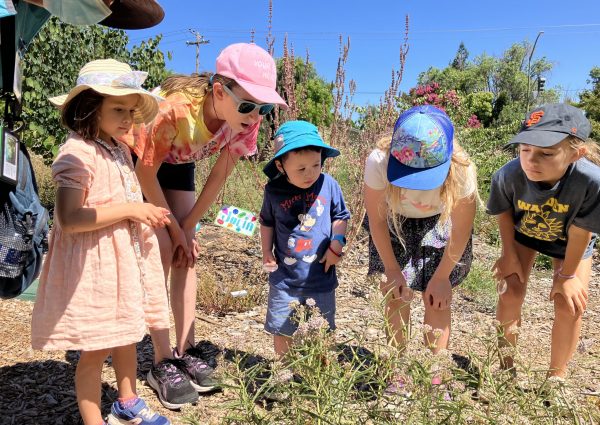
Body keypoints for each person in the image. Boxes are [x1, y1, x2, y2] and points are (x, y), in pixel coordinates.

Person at [123, 42, 288, 407]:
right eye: (247, 105)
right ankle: (161, 359)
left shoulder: (247, 121)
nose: (254, 114)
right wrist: (173, 228)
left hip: (180, 160)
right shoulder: (175, 109)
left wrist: (189, 227)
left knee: (188, 253)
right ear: (219, 91)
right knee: (163, 248)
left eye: (263, 107)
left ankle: (186, 348)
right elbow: (146, 171)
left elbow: (217, 178)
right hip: (141, 159)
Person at [31, 59, 172, 425]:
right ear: (90, 107)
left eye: (131, 110)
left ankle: (127, 402)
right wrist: (131, 209)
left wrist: (142, 211)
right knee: (95, 350)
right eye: (118, 109)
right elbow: (70, 218)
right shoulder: (77, 153)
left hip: (120, 263)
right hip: (93, 268)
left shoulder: (117, 148)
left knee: (127, 331)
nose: (128, 118)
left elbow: (122, 196)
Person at [487, 103, 600, 378]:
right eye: (525, 150)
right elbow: (503, 213)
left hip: (571, 242)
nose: (531, 161)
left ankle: (556, 377)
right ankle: (505, 368)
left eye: (546, 153)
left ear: (577, 154)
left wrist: (567, 274)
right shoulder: (508, 174)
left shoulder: (591, 181)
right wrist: (508, 254)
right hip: (525, 234)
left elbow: (581, 232)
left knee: (569, 303)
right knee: (510, 291)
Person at [363, 105, 478, 354]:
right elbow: (378, 220)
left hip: (439, 223)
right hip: (395, 223)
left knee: (438, 300)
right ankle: (396, 367)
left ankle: (433, 372)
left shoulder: (461, 169)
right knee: (395, 295)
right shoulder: (378, 162)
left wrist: (442, 277)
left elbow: (461, 230)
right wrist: (392, 270)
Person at [260, 120, 350, 356]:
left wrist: (336, 246)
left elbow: (340, 216)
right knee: (283, 329)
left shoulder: (328, 184)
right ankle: (285, 372)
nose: (310, 173)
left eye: (316, 165)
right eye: (301, 169)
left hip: (321, 275)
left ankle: (321, 377)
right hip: (285, 279)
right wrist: (266, 252)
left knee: (322, 331)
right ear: (280, 166)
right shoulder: (273, 191)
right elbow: (267, 221)